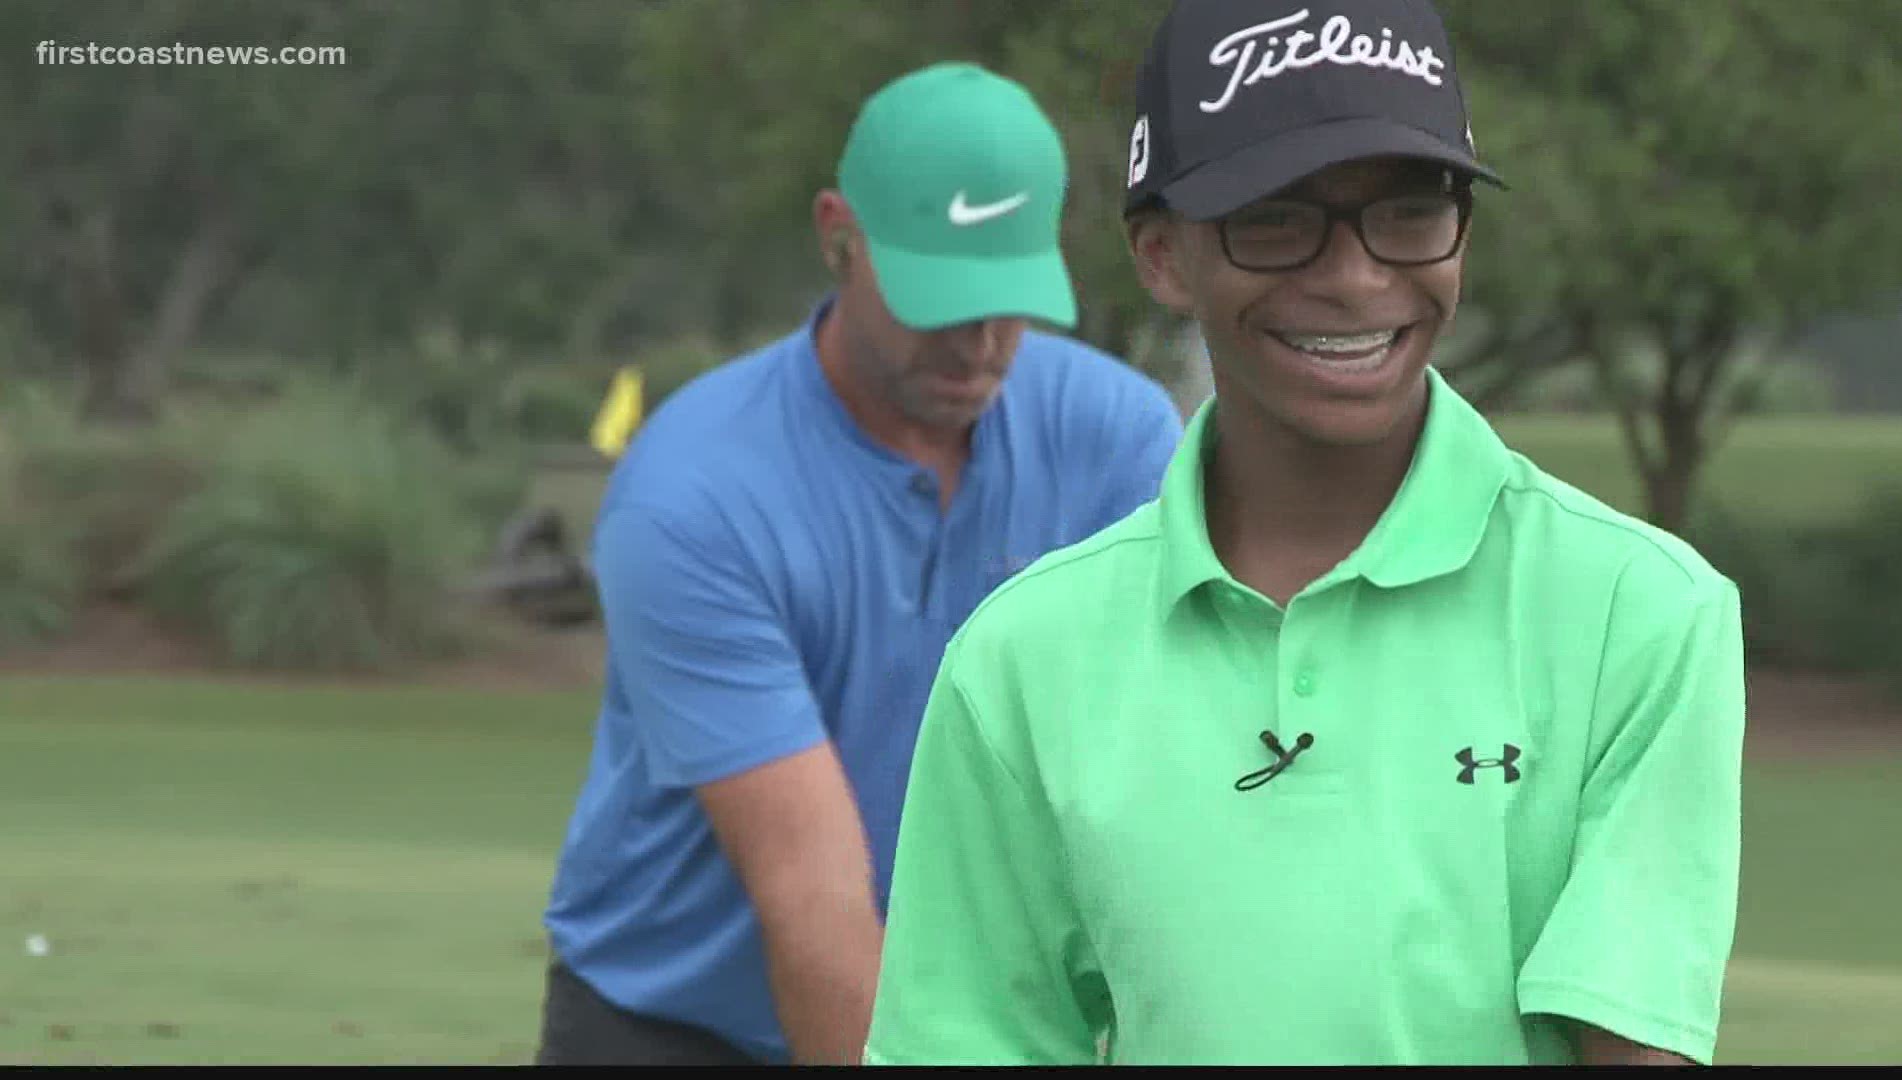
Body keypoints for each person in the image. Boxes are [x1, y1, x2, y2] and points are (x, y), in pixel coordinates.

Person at [865, 0, 1746, 1067]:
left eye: (1411, 212)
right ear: (1162, 255)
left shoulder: (1641, 612)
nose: (1357, 277)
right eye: (1275, 217)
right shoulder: (1018, 658)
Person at [534, 61, 1186, 1066]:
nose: (978, 343)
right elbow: (812, 898)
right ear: (839, 233)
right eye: (939, 298)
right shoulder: (693, 494)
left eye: (1007, 301)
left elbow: (1158, 777)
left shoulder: (1118, 438)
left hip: (974, 1012)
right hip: (676, 1022)